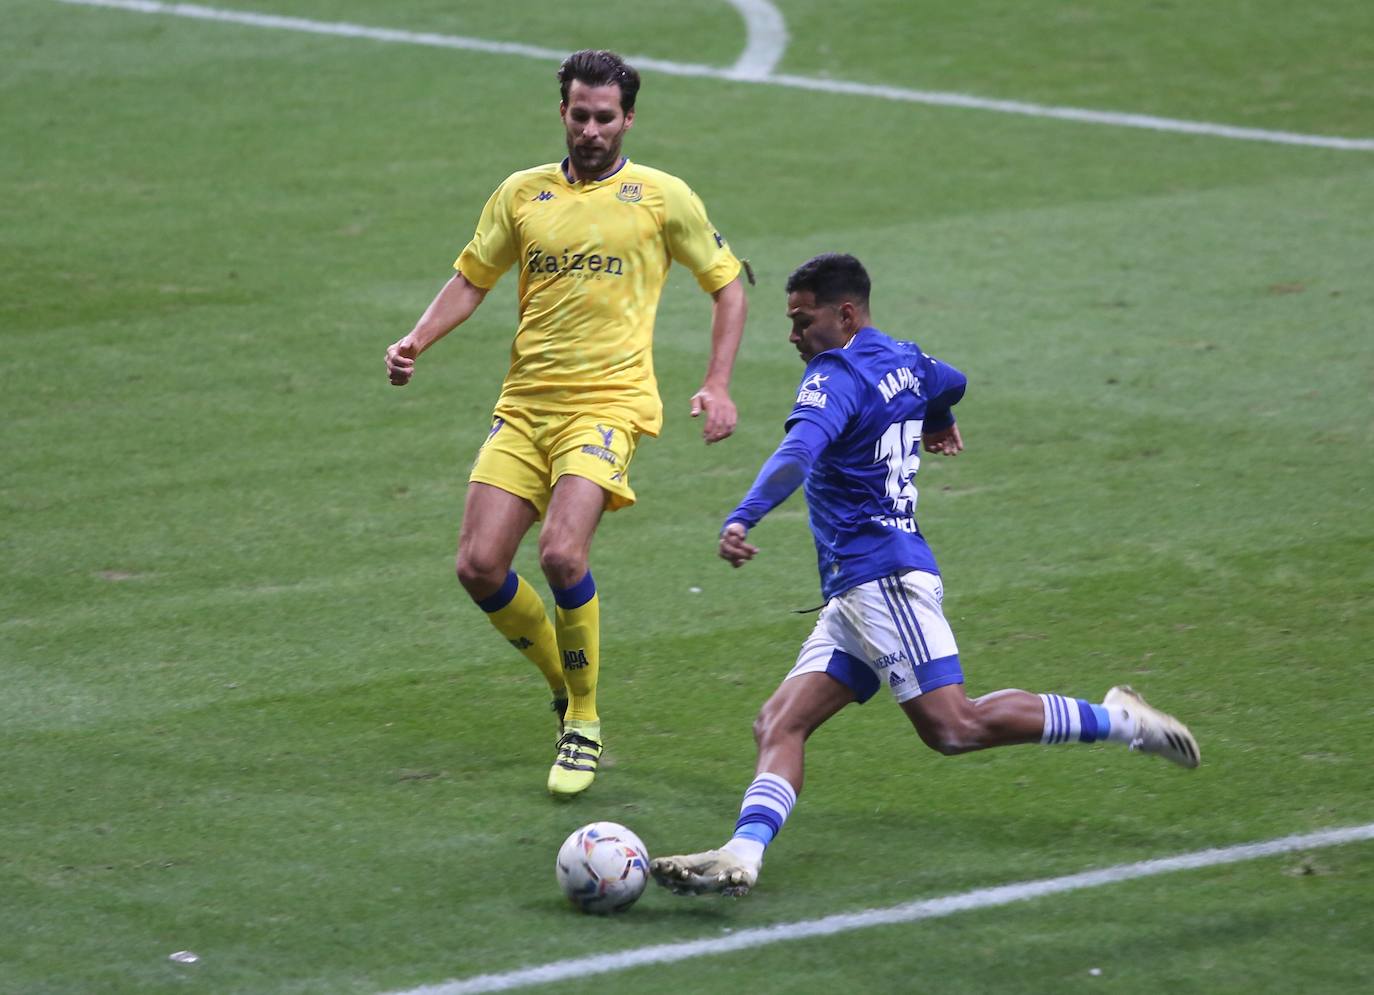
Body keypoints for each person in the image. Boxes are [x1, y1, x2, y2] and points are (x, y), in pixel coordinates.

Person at [650, 253, 1198, 897]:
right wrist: (937, 421)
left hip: (882, 578)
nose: (794, 336)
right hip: (854, 594)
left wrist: (744, 516)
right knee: (780, 723)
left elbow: (798, 451)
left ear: (845, 314)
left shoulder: (838, 374)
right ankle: (742, 854)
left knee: (954, 727)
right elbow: (951, 381)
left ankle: (1122, 720)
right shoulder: (904, 357)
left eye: (803, 320)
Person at [385, 50, 748, 797]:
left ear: (629, 119)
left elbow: (728, 284)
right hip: (524, 406)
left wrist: (716, 384)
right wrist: (417, 339)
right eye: (579, 115)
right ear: (562, 112)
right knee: (478, 566)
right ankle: (561, 679)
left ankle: (583, 720)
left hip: (609, 404)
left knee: (559, 554)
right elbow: (471, 278)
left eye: (605, 117)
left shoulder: (661, 197)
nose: (590, 130)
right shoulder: (523, 194)